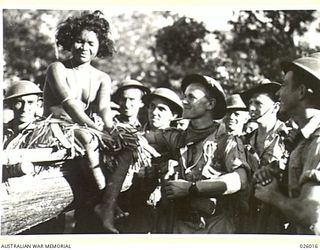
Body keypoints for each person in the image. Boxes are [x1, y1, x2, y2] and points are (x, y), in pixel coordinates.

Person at [43, 11, 139, 234]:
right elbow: (70, 105)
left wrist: (113, 130)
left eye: (91, 43)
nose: (84, 47)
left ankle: (105, 204)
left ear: (100, 45)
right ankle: (109, 205)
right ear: (69, 41)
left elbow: (105, 109)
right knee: (87, 138)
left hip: (86, 127)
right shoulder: (57, 68)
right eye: (79, 41)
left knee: (129, 144)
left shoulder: (101, 78)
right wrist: (96, 129)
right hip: (58, 128)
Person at [144, 74, 250, 233]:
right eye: (184, 96)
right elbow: (141, 138)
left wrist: (192, 188)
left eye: (191, 97)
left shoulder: (225, 140)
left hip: (215, 227)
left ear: (210, 104)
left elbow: (239, 180)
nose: (184, 102)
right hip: (180, 226)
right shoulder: (177, 136)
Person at [254, 54, 320, 235]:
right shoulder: (303, 139)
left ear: (301, 91)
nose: (277, 93)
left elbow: (310, 215)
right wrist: (278, 177)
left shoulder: (318, 141)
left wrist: (273, 196)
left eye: (283, 85)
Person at [119, 87, 183, 233]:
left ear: (173, 115)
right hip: (133, 206)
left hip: (164, 208)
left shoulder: (178, 140)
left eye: (162, 109)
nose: (154, 112)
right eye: (152, 107)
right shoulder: (134, 135)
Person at [240, 81, 288, 233]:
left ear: (275, 107)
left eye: (258, 103)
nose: (252, 108)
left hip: (277, 216)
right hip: (247, 213)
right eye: (250, 103)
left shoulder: (290, 138)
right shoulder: (243, 140)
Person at [3, 80, 43, 177]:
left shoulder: (42, 132)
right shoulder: (3, 131)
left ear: (38, 105)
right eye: (19, 102)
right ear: (11, 105)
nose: (24, 108)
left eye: (30, 102)